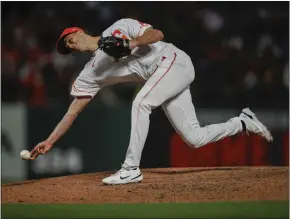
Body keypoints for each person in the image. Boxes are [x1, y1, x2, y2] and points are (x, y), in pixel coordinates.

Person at [30, 18, 273, 185]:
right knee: (194, 138)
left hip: (173, 60)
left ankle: (130, 169)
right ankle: (243, 122)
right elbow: (73, 111)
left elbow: (158, 34)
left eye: (70, 39)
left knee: (141, 103)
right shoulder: (90, 73)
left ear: (79, 31)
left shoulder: (119, 27)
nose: (70, 45)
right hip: (164, 77)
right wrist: (50, 140)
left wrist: (130, 43)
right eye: (67, 47)